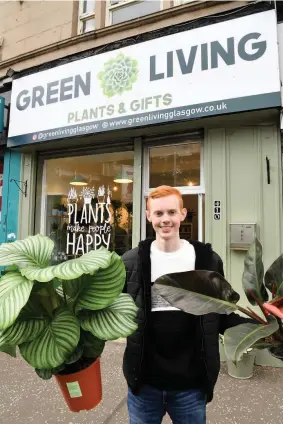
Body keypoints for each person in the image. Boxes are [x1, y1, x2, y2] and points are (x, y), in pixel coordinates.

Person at [122, 185, 250, 424]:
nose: (165, 219)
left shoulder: (207, 260)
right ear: (149, 216)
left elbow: (220, 315)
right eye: (158, 214)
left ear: (183, 213)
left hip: (191, 385)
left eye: (171, 212)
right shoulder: (132, 262)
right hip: (145, 383)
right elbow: (113, 312)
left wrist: (261, 329)